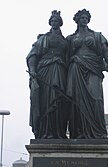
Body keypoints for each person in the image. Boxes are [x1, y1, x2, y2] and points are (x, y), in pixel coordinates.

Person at [66, 9, 108, 139]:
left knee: (96, 99)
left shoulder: (97, 36)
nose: (84, 20)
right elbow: (64, 57)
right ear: (77, 20)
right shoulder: (70, 38)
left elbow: (106, 54)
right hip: (76, 68)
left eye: (86, 18)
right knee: (77, 102)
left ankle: (97, 133)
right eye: (82, 18)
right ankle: (79, 132)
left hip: (93, 68)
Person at [26, 10, 68, 139]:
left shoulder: (65, 41)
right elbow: (32, 55)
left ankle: (59, 132)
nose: (54, 23)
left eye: (56, 21)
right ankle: (46, 131)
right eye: (52, 21)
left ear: (60, 23)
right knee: (46, 101)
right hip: (45, 71)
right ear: (50, 23)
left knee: (60, 101)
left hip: (61, 72)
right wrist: (32, 71)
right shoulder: (44, 38)